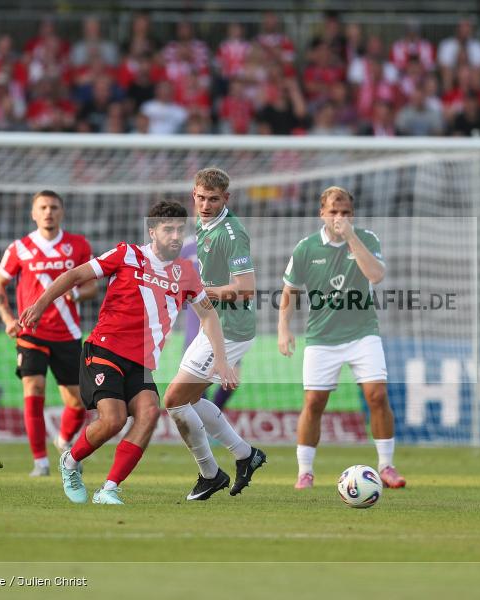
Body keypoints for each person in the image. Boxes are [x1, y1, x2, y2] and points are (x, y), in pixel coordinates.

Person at [20, 201, 238, 505]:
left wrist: (223, 361)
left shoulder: (186, 272)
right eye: (168, 229)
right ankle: (70, 462)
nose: (175, 235)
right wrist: (41, 304)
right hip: (104, 350)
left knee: (149, 413)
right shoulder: (127, 254)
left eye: (180, 229)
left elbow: (209, 316)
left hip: (142, 362)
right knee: (114, 420)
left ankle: (108, 488)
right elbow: (74, 276)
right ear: (152, 232)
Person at [278, 186, 406, 490]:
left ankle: (386, 466)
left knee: (377, 395)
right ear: (322, 213)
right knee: (314, 402)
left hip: (363, 333)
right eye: (333, 212)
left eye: (345, 212)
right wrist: (284, 328)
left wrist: (350, 237)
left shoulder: (367, 239)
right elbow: (289, 292)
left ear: (353, 214)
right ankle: (305, 471)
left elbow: (376, 275)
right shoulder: (306, 248)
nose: (339, 217)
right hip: (322, 337)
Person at [164, 167, 266, 501]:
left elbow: (246, 288)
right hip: (215, 326)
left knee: (175, 400)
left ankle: (210, 474)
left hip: (231, 328)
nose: (206, 205)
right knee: (187, 400)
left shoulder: (230, 233)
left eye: (213, 199)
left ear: (226, 198)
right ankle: (244, 455)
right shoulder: (205, 227)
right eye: (201, 198)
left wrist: (200, 290)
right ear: (193, 195)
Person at [0, 191, 97, 476]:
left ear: (62, 212)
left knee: (77, 401)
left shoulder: (77, 245)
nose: (48, 212)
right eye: (43, 207)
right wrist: (8, 318)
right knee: (33, 389)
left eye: (53, 207)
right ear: (33, 214)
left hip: (67, 333)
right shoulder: (20, 248)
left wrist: (76, 294)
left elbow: (92, 286)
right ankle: (40, 462)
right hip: (31, 332)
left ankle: (62, 441)